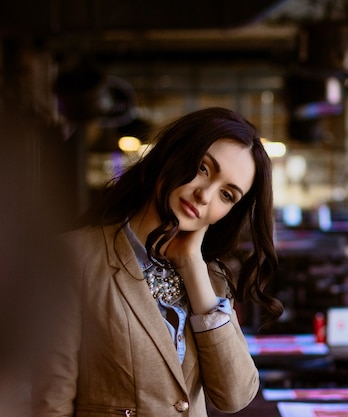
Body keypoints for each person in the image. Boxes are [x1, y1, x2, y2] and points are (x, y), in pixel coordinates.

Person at [31, 107, 284, 416]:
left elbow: (234, 396)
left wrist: (192, 264)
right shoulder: (74, 258)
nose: (205, 195)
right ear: (173, 154)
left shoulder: (211, 278)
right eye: (203, 168)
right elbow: (50, 405)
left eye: (227, 195)